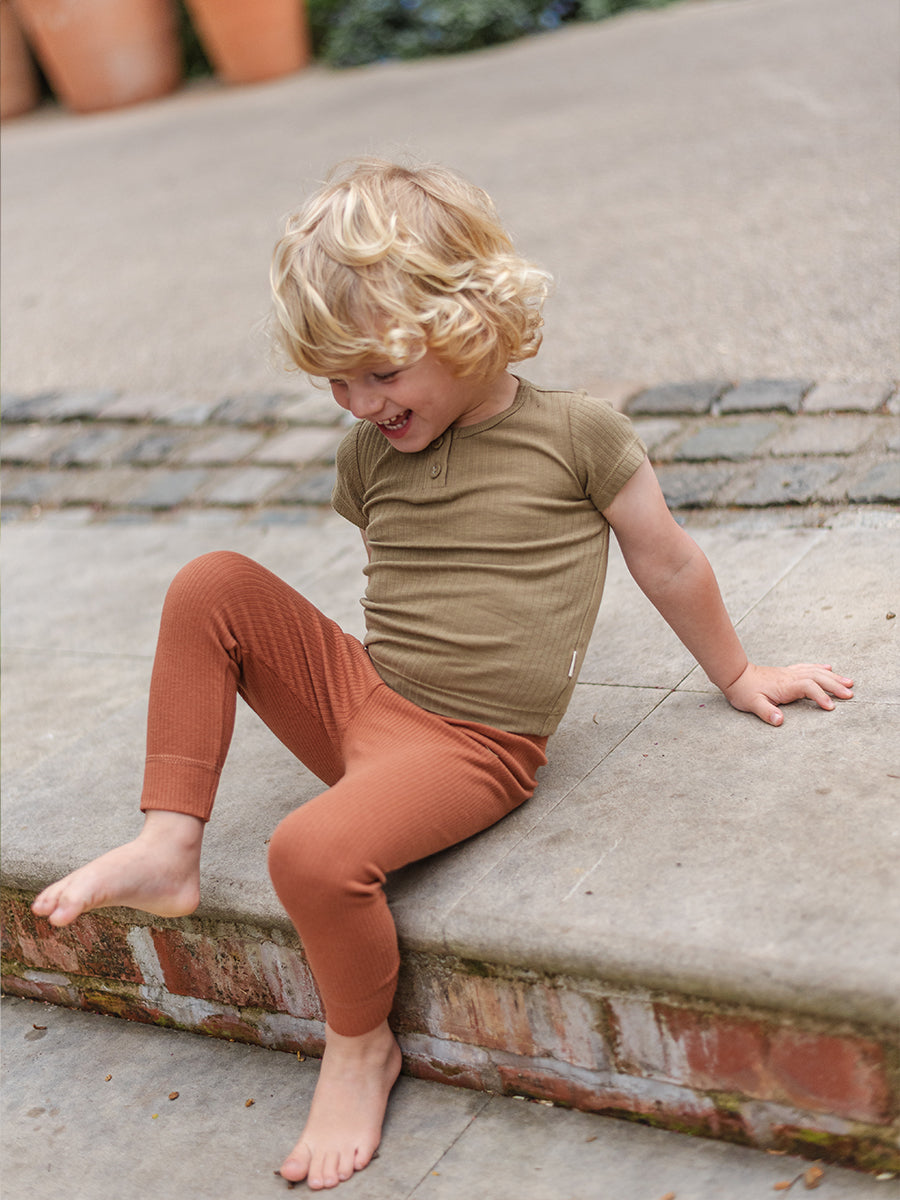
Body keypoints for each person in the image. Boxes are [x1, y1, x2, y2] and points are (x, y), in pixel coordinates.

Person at [31, 158, 854, 1191]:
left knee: (310, 851)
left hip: (473, 746)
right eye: (336, 381)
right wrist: (343, 687)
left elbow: (669, 561)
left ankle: (360, 1046)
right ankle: (168, 842)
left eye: (379, 372)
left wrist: (738, 673)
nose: (359, 402)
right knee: (212, 582)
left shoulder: (578, 436)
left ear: (471, 322)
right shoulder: (370, 455)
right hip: (367, 700)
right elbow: (409, 571)